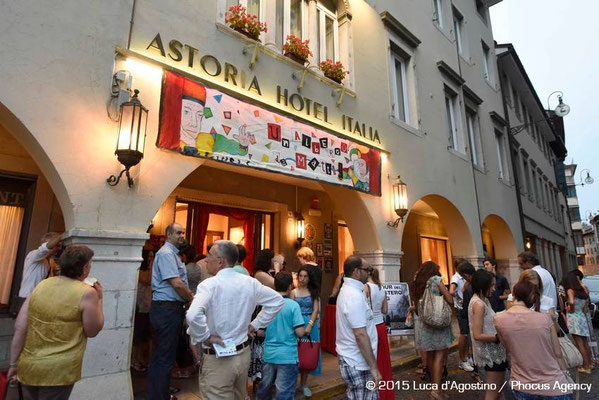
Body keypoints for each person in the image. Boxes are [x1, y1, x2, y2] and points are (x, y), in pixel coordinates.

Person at [186, 240, 284, 400]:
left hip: (218, 359)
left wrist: (205, 336)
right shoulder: (249, 282)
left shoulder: (209, 285)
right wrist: (255, 324)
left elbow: (192, 314)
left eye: (209, 255)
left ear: (220, 261)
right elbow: (277, 301)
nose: (206, 260)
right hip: (242, 355)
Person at [8, 245, 104, 399]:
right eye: (90, 265)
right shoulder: (87, 293)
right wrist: (99, 300)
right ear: (84, 269)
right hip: (59, 371)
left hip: (30, 365)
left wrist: (13, 364)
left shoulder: (42, 285)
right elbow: (92, 330)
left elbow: (20, 327)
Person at [494, 281, 572, 400]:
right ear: (532, 297)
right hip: (553, 384)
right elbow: (558, 354)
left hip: (521, 384)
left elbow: (507, 347)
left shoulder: (498, 319)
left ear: (514, 295)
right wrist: (566, 374)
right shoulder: (545, 319)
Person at [147, 223, 194, 400]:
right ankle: (159, 396)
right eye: (178, 233)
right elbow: (177, 284)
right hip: (167, 309)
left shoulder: (172, 254)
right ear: (168, 235)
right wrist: (191, 298)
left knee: (164, 354)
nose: (182, 236)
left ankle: (160, 393)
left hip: (168, 308)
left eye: (183, 233)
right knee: (164, 356)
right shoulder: (166, 254)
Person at [336, 256, 381, 400]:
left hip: (357, 360)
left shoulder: (353, 291)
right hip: (357, 362)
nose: (369, 273)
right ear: (356, 272)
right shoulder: (353, 295)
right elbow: (360, 334)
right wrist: (374, 367)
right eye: (367, 270)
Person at [256, 272, 305, 400]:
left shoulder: (268, 305)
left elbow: (259, 332)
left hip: (269, 354)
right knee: (284, 393)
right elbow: (300, 332)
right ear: (290, 287)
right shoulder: (293, 306)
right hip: (287, 356)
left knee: (264, 390)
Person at [411, 261, 454, 400]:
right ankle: (436, 390)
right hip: (438, 323)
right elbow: (450, 299)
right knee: (440, 356)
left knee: (430, 355)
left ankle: (434, 388)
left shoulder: (417, 283)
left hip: (425, 324)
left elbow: (417, 306)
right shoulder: (436, 280)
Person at [468, 269, 507, 400]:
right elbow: (477, 334)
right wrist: (497, 338)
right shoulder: (479, 304)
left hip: (494, 353)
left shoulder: (483, 300)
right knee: (492, 394)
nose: (494, 289)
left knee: (498, 393)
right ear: (482, 286)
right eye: (491, 286)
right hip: (490, 354)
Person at [291, 266, 322, 397]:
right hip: (296, 324)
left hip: (310, 324)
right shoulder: (294, 292)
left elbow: (315, 310)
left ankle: (304, 384)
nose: (302, 279)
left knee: (307, 354)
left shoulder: (313, 292)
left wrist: (309, 325)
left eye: (305, 276)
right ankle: (291, 385)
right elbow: (291, 309)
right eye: (300, 276)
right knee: (295, 354)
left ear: (309, 278)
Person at [248, 249, 276, 388]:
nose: (275, 262)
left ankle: (265, 381)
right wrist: (277, 270)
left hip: (266, 311)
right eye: (273, 259)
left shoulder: (265, 273)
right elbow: (278, 284)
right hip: (261, 312)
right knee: (260, 346)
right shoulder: (260, 274)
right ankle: (260, 382)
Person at [364, 268, 392, 400]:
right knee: (383, 360)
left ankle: (373, 391)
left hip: (371, 326)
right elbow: (385, 310)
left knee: (371, 359)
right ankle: (386, 392)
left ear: (368, 273)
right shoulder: (382, 288)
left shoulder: (366, 287)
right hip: (381, 325)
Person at [17, 232, 63, 302]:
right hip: (27, 298)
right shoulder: (33, 255)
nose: (59, 248)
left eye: (60, 246)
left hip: (38, 299)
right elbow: (44, 249)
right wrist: (61, 236)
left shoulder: (50, 261)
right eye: (56, 245)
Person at [564, 269, 593, 373]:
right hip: (582, 316)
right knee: (585, 342)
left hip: (574, 318)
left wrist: (571, 309)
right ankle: (590, 363)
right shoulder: (583, 290)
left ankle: (585, 366)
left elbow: (571, 302)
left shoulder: (570, 290)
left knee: (579, 343)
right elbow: (586, 304)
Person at [449, 262, 475, 372]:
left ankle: (467, 356)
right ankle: (462, 360)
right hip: (461, 308)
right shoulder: (456, 278)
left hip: (466, 306)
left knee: (468, 333)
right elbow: (451, 291)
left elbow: (463, 289)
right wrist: (459, 299)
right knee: (464, 333)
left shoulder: (464, 279)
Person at [132, 249, 154, 372]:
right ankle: (134, 360)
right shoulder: (139, 270)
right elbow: (147, 281)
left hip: (147, 305)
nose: (151, 259)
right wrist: (151, 267)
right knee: (138, 335)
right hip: (140, 305)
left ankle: (141, 358)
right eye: (149, 256)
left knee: (144, 336)